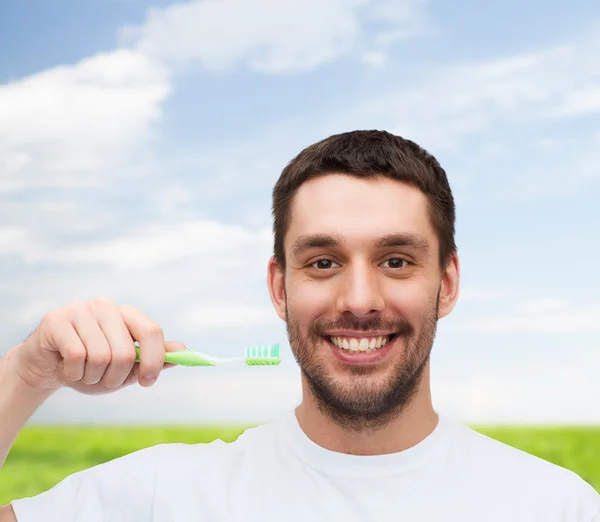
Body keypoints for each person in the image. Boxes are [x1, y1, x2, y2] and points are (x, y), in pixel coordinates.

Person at [0, 130, 598, 522]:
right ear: (279, 288)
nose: (359, 300)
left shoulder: (555, 506)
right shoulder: (162, 497)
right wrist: (26, 374)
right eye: (323, 262)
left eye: (395, 260)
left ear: (446, 283)